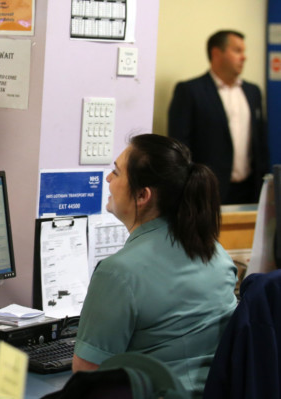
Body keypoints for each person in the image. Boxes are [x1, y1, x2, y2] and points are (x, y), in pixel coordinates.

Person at [72, 134, 238, 397]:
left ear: (142, 195)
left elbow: (86, 377)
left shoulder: (118, 273)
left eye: (116, 172)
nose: (108, 180)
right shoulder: (218, 255)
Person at [168, 30, 269, 205]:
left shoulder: (253, 92)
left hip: (249, 191)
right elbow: (180, 146)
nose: (244, 57)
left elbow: (260, 141)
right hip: (208, 191)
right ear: (216, 53)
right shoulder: (190, 91)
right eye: (237, 51)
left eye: (243, 52)